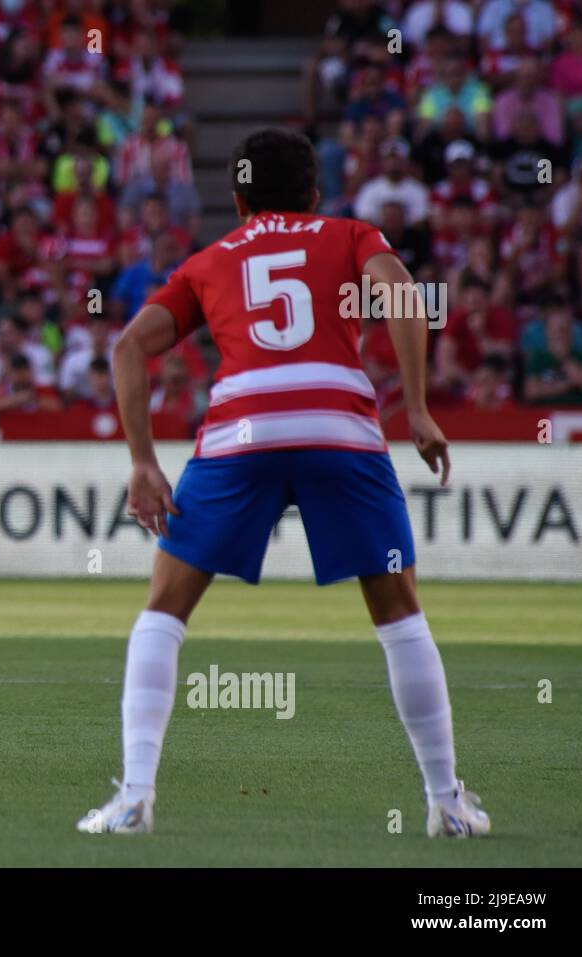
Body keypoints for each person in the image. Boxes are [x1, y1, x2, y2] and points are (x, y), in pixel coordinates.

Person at [79, 129, 490, 839]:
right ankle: (446, 801)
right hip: (340, 428)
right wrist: (417, 407)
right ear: (314, 193)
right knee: (399, 615)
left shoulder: (210, 260)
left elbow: (128, 347)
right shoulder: (351, 234)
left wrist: (143, 461)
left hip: (244, 432)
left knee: (164, 611)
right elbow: (401, 292)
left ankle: (135, 798)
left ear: (238, 201)